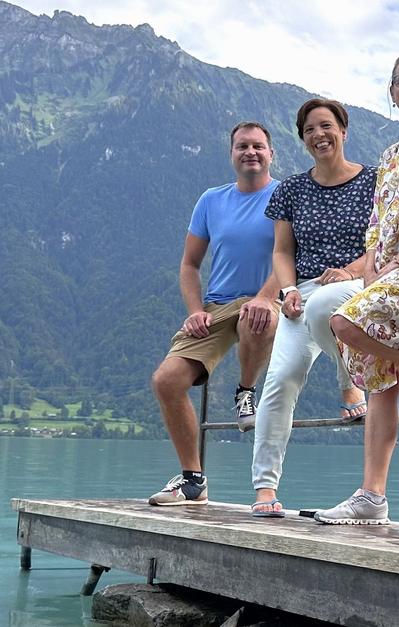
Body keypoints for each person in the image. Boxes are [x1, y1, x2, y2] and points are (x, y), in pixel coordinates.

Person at [314, 51, 399, 525]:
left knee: (343, 321)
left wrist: (397, 262)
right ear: (392, 93)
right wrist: (373, 266)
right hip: (390, 272)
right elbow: (378, 222)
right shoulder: (391, 155)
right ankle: (371, 497)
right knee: (379, 381)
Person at [249, 99, 375, 517]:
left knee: (326, 303)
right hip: (301, 292)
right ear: (302, 139)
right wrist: (286, 291)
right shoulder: (291, 190)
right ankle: (265, 489)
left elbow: (382, 246)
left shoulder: (375, 181)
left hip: (357, 285)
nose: (319, 135)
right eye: (309, 130)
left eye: (327, 126)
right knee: (280, 378)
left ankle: (349, 383)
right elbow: (283, 251)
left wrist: (350, 271)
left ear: (344, 129)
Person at [146, 122, 282, 506]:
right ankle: (193, 480)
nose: (250, 152)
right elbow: (189, 265)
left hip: (267, 297)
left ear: (271, 154)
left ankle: (245, 390)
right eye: (242, 147)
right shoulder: (211, 200)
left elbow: (289, 255)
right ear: (232, 154)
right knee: (166, 381)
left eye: (258, 146)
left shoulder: (285, 195)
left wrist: (265, 296)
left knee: (259, 316)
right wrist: (194, 311)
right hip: (217, 305)